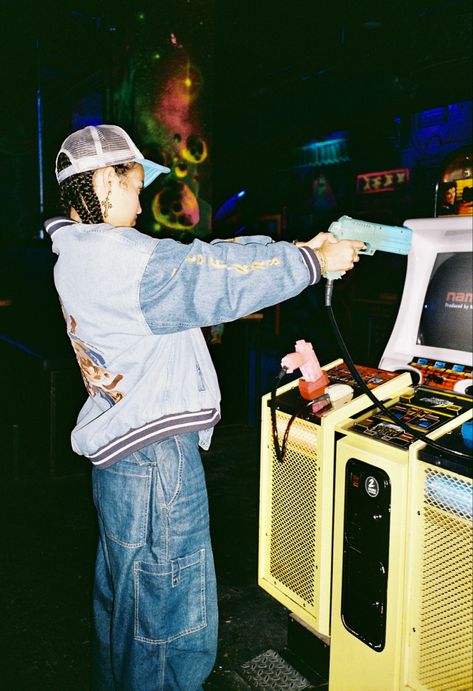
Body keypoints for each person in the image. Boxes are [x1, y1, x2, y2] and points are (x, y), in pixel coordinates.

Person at [45, 124, 364, 691]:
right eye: (135, 185)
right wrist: (314, 264)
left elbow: (200, 259)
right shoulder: (125, 261)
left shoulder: (79, 253)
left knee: (127, 602)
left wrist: (298, 249)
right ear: (103, 182)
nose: (142, 203)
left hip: (120, 458)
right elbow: (206, 279)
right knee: (169, 615)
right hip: (154, 459)